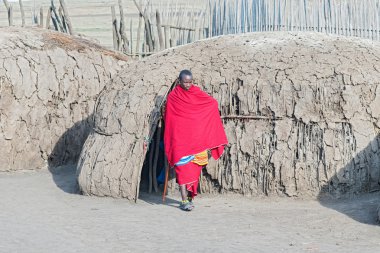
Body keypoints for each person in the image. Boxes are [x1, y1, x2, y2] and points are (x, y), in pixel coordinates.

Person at [164, 70, 228, 211]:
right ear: (180, 81)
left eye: (190, 81)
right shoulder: (174, 97)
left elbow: (211, 103)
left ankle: (190, 197)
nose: (188, 84)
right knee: (182, 171)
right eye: (185, 82)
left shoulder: (196, 93)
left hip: (196, 141)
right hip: (180, 141)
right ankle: (184, 200)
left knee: (194, 170)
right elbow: (171, 120)